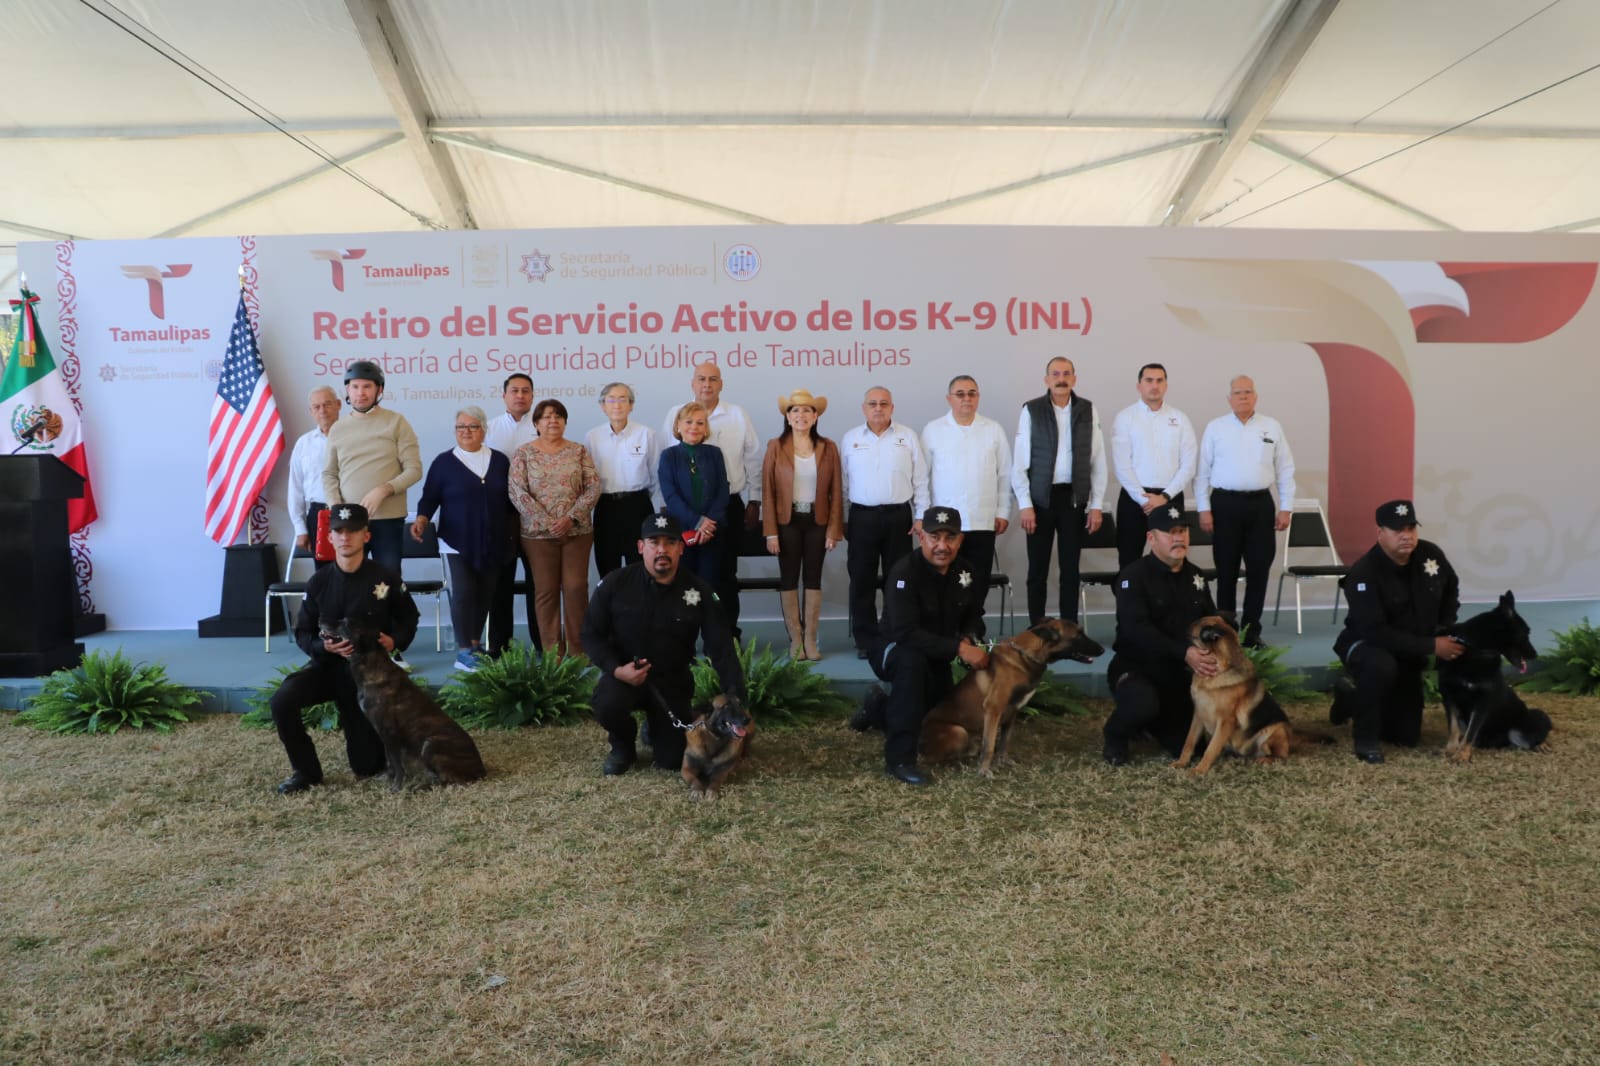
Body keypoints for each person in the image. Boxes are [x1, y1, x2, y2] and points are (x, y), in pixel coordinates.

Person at [581, 510, 746, 776]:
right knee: (607, 704)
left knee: (670, 760)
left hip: (671, 683)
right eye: (654, 543)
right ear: (640, 547)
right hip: (625, 677)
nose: (662, 550)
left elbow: (722, 648)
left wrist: (736, 698)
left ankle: (658, 727)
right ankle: (622, 746)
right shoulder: (615, 584)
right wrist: (616, 668)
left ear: (681, 548)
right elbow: (590, 634)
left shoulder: (700, 592)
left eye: (670, 543)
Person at [268, 504, 419, 794]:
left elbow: (409, 617)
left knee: (366, 767)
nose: (345, 537)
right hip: (328, 669)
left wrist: (395, 641)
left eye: (353, 531)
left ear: (366, 536)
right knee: (282, 700)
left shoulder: (385, 578)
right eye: (338, 531)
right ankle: (305, 771)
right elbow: (302, 632)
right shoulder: (319, 582)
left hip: (368, 679)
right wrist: (321, 647)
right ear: (330, 537)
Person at [852, 506, 989, 786]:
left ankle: (877, 709)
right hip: (894, 649)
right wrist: (959, 649)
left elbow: (974, 615)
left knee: (926, 712)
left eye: (949, 538)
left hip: (936, 653)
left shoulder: (966, 571)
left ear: (960, 540)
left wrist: (968, 637)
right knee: (910, 665)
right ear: (921, 537)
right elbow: (905, 633)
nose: (942, 546)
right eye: (934, 537)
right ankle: (899, 760)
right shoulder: (904, 572)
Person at [1332, 499, 1463, 764]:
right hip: (1367, 646)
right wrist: (1432, 646)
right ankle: (1365, 737)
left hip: (1409, 649)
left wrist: (1443, 626)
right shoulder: (1364, 573)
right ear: (1380, 532)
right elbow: (1375, 633)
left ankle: (1351, 699)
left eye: (1411, 528)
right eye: (1397, 530)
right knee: (1380, 665)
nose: (1407, 536)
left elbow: (1451, 587)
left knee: (1406, 737)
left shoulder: (1430, 555)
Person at [1101, 505, 1218, 766]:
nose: (1179, 538)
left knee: (1190, 748)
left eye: (1183, 531)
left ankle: (1154, 724)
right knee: (1141, 704)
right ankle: (1115, 736)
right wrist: (1185, 652)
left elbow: (1209, 620)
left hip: (1177, 675)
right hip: (1137, 668)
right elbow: (1136, 630)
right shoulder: (1133, 577)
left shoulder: (1196, 575)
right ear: (1151, 538)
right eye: (1171, 532)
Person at [410, 405, 516, 672]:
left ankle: (475, 644)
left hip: (493, 539)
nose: (466, 432)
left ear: (484, 430)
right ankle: (463, 651)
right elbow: (430, 496)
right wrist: (422, 519)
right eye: (461, 427)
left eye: (472, 426)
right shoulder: (444, 462)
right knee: (465, 592)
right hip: (456, 540)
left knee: (485, 594)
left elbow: (511, 500)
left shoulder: (500, 460)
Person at [1193, 375, 1296, 647]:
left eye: (1248, 392)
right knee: (1226, 571)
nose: (1243, 397)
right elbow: (1202, 473)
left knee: (1259, 571)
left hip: (1261, 506)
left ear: (1256, 396)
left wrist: (1286, 507)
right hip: (1224, 505)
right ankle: (1225, 631)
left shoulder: (1271, 427)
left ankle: (1251, 632)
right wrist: (1203, 509)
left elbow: (1285, 470)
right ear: (1229, 399)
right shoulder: (1216, 428)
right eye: (1237, 393)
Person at [661, 363, 761, 636]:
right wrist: (695, 520)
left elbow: (751, 459)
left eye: (713, 379)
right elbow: (668, 482)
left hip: (724, 511)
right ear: (693, 383)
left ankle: (726, 635)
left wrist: (754, 499)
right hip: (685, 516)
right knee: (685, 581)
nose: (707, 384)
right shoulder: (675, 414)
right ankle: (686, 639)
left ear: (721, 384)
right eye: (701, 379)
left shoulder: (737, 415)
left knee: (724, 578)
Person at [1011, 356, 1106, 624]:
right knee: (1037, 571)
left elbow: (1098, 460)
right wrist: (1025, 504)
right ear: (1047, 380)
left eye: (1066, 374)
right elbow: (1019, 462)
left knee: (1070, 571)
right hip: (1040, 502)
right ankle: (1037, 629)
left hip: (1073, 501)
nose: (1061, 379)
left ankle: (1069, 629)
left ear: (1074, 378)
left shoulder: (1088, 410)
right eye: (1055, 374)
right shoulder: (1031, 410)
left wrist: (1096, 505)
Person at [840, 386, 929, 659]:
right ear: (864, 408)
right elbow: (843, 484)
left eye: (884, 403)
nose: (878, 408)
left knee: (899, 579)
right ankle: (866, 639)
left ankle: (895, 632)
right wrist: (843, 520)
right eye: (873, 403)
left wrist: (921, 516)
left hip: (898, 518)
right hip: (862, 517)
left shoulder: (907, 437)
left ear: (892, 407)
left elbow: (921, 479)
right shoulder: (851, 438)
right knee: (861, 580)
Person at [508, 399, 601, 659]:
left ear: (565, 422)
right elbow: (517, 492)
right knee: (546, 591)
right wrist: (548, 521)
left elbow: (593, 487)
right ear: (536, 423)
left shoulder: (578, 451)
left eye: (558, 416)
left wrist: (570, 518)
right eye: (546, 417)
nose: (553, 421)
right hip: (538, 535)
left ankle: (579, 650)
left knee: (575, 588)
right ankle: (553, 653)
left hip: (576, 532)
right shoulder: (524, 453)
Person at [763, 389, 845, 660]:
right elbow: (768, 492)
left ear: (815, 416)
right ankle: (795, 638)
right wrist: (771, 532)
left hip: (816, 521)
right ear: (787, 416)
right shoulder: (775, 446)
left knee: (813, 578)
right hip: (787, 522)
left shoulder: (828, 447)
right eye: (795, 410)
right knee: (788, 579)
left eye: (807, 410)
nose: (801, 415)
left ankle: (811, 638)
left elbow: (836, 491)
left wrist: (834, 530)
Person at [321, 360, 422, 576]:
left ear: (379, 389)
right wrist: (336, 508)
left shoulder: (396, 422)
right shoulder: (338, 428)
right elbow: (329, 473)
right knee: (347, 579)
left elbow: (414, 469)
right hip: (348, 520)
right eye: (355, 387)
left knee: (387, 580)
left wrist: (384, 489)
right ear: (347, 390)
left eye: (367, 386)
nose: (361, 393)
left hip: (388, 520)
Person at [920, 374, 1011, 593]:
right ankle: (947, 627)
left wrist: (1003, 512)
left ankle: (973, 627)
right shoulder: (933, 430)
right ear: (949, 399)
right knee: (944, 581)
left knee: (978, 581)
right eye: (960, 394)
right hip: (945, 524)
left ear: (978, 397)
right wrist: (923, 516)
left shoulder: (993, 429)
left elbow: (1005, 475)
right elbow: (922, 477)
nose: (966, 399)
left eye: (972, 394)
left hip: (983, 519)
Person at [1110, 363, 1197, 568]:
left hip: (1171, 498)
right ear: (1139, 385)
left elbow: (1188, 465)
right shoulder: (1125, 418)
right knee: (1129, 560)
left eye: (1159, 380)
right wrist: (1144, 500)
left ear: (1166, 385)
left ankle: (1169, 601)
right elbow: (1122, 465)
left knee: (1173, 561)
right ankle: (1130, 601)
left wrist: (1165, 497)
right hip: (1134, 501)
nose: (1154, 385)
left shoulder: (1180, 419)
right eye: (1149, 380)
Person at [485, 373, 542, 655]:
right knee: (500, 583)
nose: (520, 395)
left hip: (535, 515)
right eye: (515, 390)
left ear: (532, 396)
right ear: (504, 395)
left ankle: (543, 644)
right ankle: (499, 647)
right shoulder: (489, 429)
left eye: (526, 391)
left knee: (538, 583)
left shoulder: (543, 427)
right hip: (500, 515)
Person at [585, 382, 662, 577]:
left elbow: (655, 475)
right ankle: (612, 608)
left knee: (640, 566)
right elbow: (588, 477)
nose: (617, 405)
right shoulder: (593, 437)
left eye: (622, 400)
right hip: (606, 507)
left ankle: (641, 607)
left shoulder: (646, 434)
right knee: (607, 565)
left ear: (631, 405)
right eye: (611, 400)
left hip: (638, 505)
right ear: (603, 406)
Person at [658, 402, 730, 586]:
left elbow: (723, 490)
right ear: (678, 426)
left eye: (700, 423)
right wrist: (698, 522)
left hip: (712, 532)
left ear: (706, 428)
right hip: (682, 532)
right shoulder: (669, 456)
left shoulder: (715, 454)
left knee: (711, 584)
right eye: (689, 422)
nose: (694, 427)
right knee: (682, 585)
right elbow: (671, 496)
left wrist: (708, 525)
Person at [286, 385, 340, 568]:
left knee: (354, 574)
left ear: (339, 405)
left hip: (349, 512)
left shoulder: (354, 438)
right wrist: (300, 529)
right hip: (318, 515)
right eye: (317, 407)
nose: (322, 411)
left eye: (327, 404)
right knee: (324, 577)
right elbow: (295, 488)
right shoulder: (304, 444)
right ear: (311, 411)